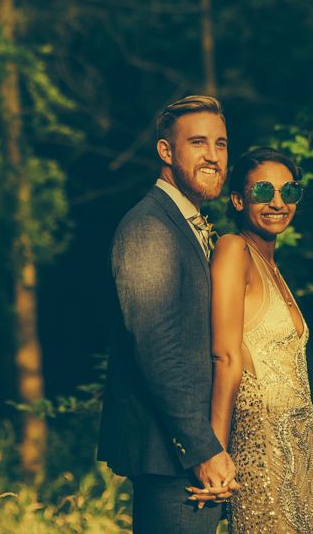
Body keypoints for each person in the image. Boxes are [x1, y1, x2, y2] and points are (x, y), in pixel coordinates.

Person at [98, 95, 239, 534]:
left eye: (220, 144)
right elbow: (158, 350)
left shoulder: (188, 223)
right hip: (173, 458)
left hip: (190, 453)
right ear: (166, 151)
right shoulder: (148, 228)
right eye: (198, 143)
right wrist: (202, 449)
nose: (213, 156)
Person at [208, 147, 313, 533]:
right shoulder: (234, 249)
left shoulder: (274, 267)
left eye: (290, 192)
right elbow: (225, 356)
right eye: (264, 191)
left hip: (304, 451)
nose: (278, 203)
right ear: (237, 199)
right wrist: (214, 451)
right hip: (261, 450)